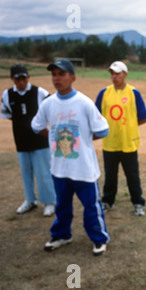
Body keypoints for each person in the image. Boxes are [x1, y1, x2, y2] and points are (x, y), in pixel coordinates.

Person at [31, 58, 110, 256]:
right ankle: (61, 235)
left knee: (91, 206)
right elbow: (37, 125)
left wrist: (84, 138)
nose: (56, 79)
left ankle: (99, 239)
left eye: (61, 74)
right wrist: (52, 136)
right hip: (59, 167)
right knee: (62, 206)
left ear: (72, 78)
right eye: (54, 74)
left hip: (83, 168)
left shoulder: (84, 103)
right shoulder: (48, 104)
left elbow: (103, 129)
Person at [1, 64, 56, 216]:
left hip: (40, 141)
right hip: (21, 141)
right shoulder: (7, 94)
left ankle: (49, 202)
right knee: (26, 173)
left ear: (28, 77)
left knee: (44, 173)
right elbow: (8, 114)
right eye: (18, 78)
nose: (21, 82)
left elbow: (52, 109)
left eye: (24, 78)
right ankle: (30, 200)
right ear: (12, 78)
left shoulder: (39, 92)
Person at [95, 61, 146, 216]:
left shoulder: (134, 93)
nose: (114, 76)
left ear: (125, 74)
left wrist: (129, 127)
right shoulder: (104, 93)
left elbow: (143, 117)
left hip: (128, 143)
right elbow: (95, 116)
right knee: (110, 175)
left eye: (117, 73)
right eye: (112, 73)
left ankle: (138, 202)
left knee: (132, 175)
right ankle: (108, 201)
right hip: (110, 143)